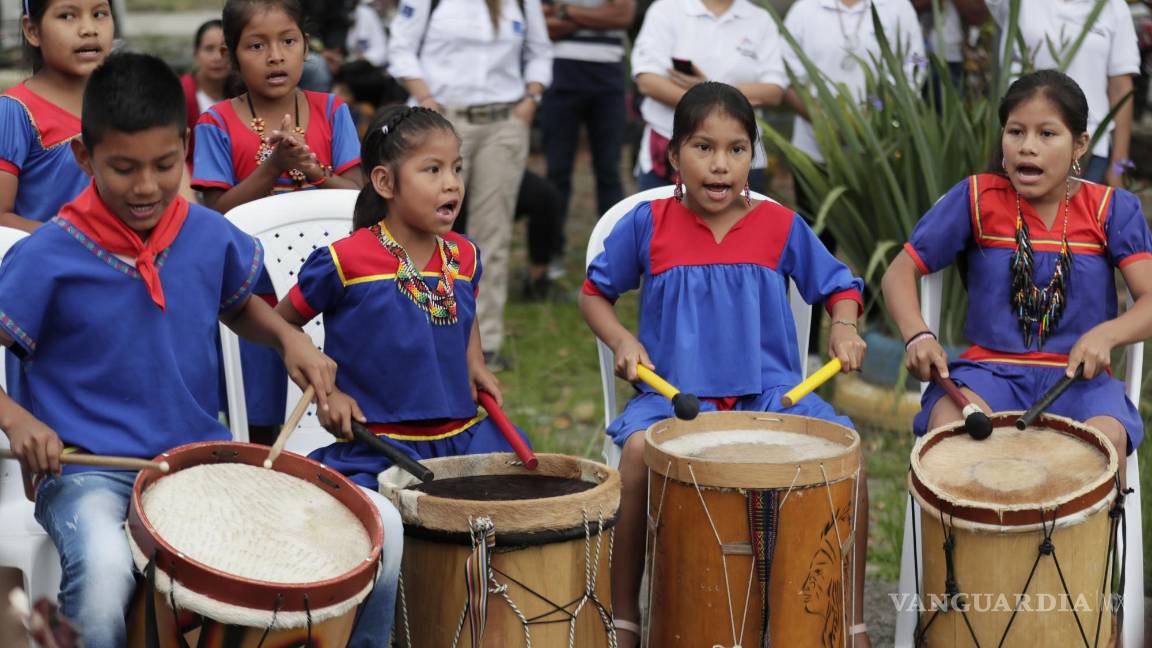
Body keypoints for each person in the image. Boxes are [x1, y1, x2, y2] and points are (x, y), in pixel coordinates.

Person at [0, 52, 402, 648]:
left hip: (196, 466)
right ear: (84, 158)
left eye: (164, 165)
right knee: (106, 571)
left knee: (381, 533)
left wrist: (289, 337)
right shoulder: (45, 257)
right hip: (89, 473)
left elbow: (238, 305)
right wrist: (16, 419)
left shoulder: (207, 233)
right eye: (123, 167)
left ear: (185, 148)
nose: (145, 186)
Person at [580, 82, 871, 648]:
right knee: (638, 454)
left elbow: (841, 286)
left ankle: (851, 617)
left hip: (771, 399)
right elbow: (594, 294)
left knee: (848, 455)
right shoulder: (648, 224)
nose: (720, 164)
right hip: (677, 399)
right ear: (674, 156)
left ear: (752, 158)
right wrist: (621, 340)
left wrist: (844, 324)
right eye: (703, 147)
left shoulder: (780, 225)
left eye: (737, 150)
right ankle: (625, 616)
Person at [881, 69, 1152, 488]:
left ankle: (1085, 556)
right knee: (953, 435)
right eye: (1016, 132)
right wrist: (918, 335)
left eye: (1047, 134)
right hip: (987, 376)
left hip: (1079, 383)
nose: (1028, 147)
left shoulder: (1111, 209)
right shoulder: (976, 197)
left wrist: (1108, 336)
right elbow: (900, 273)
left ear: (1080, 144)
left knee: (1103, 444)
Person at [276, 106, 532, 490]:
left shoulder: (464, 256)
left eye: (456, 168)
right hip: (378, 447)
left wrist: (474, 361)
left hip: (461, 442)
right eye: (433, 170)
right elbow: (281, 324)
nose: (452, 184)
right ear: (385, 182)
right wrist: (329, 394)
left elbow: (466, 309)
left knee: (520, 490)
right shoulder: (346, 260)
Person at [192, 0, 364, 441]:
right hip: (254, 295)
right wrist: (272, 169)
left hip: (333, 288)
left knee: (342, 398)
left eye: (288, 41)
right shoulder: (217, 122)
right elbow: (216, 212)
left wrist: (314, 172)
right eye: (256, 45)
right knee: (263, 411)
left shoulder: (331, 111)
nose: (275, 55)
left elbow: (361, 202)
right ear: (232, 55)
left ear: (305, 45)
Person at [388, 0, 553, 369]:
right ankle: (419, 331)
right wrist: (427, 100)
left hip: (503, 120)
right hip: (442, 119)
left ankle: (486, 342)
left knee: (491, 232)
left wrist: (531, 98)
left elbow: (541, 52)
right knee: (423, 227)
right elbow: (399, 48)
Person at [629, 0, 788, 192]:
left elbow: (774, 91)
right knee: (660, 221)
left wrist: (707, 88)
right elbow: (648, 81)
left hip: (740, 158)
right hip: (669, 156)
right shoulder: (666, 9)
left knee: (737, 222)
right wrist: (719, 98)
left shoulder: (760, 19)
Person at [986, 0, 1140, 186]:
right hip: (1022, 141)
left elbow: (1121, 90)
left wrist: (1118, 168)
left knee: (1076, 214)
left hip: (1087, 149)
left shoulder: (1113, 7)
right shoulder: (1018, 4)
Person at [0, 0, 114, 232]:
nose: (89, 29)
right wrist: (72, 242)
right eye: (68, 16)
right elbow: (2, 217)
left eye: (99, 14)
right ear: (32, 31)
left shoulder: (124, 102)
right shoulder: (14, 111)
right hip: (43, 263)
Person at [541, 0, 634, 268]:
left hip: (609, 83)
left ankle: (616, 254)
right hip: (560, 79)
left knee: (609, 171)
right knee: (557, 172)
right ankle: (549, 256)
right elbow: (543, 25)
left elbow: (623, 15)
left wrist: (567, 11)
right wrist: (599, 15)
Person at [180, 19, 231, 163]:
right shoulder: (180, 94)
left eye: (224, 50)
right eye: (209, 49)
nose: (217, 58)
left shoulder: (245, 92)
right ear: (196, 54)